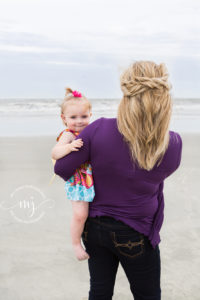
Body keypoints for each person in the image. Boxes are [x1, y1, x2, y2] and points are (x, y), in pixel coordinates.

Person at [54, 61, 182, 300]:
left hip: (94, 229)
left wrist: (65, 140)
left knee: (100, 293)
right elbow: (161, 172)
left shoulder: (98, 129)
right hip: (138, 231)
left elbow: (62, 169)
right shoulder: (172, 143)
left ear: (126, 95)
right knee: (148, 295)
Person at [51, 88, 95, 261]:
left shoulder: (91, 132)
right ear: (64, 119)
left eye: (84, 116)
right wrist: (68, 147)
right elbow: (55, 153)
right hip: (78, 181)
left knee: (92, 214)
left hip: (93, 177)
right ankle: (76, 244)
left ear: (90, 115)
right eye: (73, 117)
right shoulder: (68, 135)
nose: (79, 121)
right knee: (80, 214)